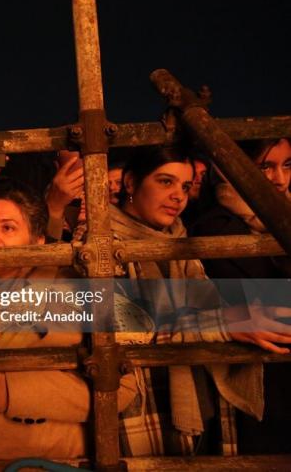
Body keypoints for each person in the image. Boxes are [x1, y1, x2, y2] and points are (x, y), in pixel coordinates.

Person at [81, 145, 287, 456]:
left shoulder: (182, 242)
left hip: (201, 406)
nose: (178, 195)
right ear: (130, 183)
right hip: (143, 408)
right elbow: (121, 323)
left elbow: (205, 308)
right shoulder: (99, 244)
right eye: (166, 182)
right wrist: (224, 322)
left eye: (185, 186)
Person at [0, 177, 138, 458]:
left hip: (58, 456)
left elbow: (122, 385)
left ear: (38, 240)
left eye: (7, 227)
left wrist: (11, 390)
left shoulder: (71, 288)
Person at [192, 137, 291, 454]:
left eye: (287, 165)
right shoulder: (214, 227)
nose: (280, 179)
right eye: (265, 167)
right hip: (262, 381)